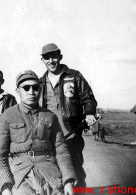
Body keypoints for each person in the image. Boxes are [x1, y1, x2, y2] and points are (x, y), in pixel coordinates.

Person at [0, 70, 77, 195]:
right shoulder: (7, 116)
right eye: (26, 88)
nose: (31, 92)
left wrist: (68, 179)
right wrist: (5, 187)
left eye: (35, 88)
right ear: (17, 91)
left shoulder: (50, 116)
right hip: (20, 174)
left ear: (40, 90)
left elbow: (61, 149)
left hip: (49, 172)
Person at [38, 43, 98, 187]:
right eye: (47, 58)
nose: (51, 61)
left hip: (70, 130)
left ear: (60, 57)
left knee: (74, 168)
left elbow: (88, 98)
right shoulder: (40, 82)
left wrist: (89, 113)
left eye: (54, 57)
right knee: (51, 169)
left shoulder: (74, 76)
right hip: (46, 131)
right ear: (42, 60)